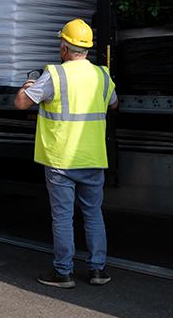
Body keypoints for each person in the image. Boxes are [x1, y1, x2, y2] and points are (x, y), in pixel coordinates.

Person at [15, 18, 118, 288]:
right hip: (93, 158)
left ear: (64, 49)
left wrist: (29, 81)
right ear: (86, 50)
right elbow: (115, 104)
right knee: (93, 213)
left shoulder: (55, 75)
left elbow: (21, 103)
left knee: (62, 216)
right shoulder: (103, 75)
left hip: (61, 159)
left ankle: (64, 273)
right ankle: (98, 271)